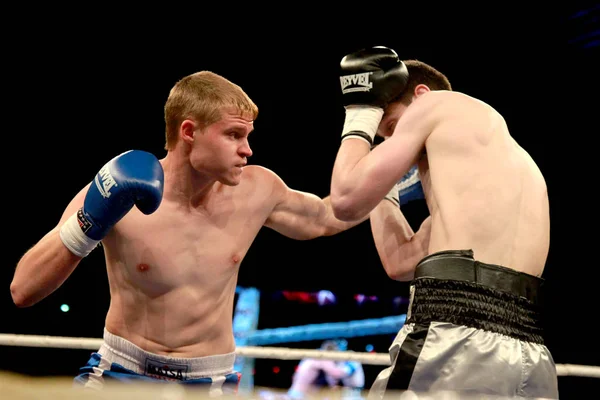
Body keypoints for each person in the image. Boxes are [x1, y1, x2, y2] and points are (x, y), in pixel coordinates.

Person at [10, 71, 368, 395]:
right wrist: (89, 221)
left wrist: (388, 182)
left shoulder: (259, 189)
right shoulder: (120, 191)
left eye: (247, 135)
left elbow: (327, 216)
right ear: (189, 132)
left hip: (210, 381)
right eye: (233, 135)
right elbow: (23, 289)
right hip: (121, 373)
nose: (247, 149)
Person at [329, 46, 557, 399]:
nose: (392, 146)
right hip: (528, 350)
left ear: (421, 94)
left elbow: (344, 199)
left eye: (391, 127)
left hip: (452, 332)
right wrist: (381, 186)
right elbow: (399, 262)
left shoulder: (438, 105)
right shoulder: (499, 175)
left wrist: (361, 111)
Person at [286, 339, 365, 400]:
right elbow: (337, 373)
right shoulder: (321, 357)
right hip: (301, 395)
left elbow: (294, 377)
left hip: (354, 392)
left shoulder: (352, 358)